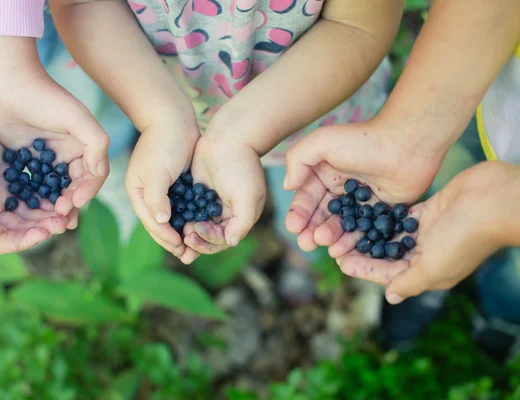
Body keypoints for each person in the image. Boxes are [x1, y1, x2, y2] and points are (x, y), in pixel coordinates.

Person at [49, 0, 404, 272]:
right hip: (171, 98)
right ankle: (302, 247)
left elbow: (356, 26)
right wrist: (161, 119)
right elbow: (82, 5)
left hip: (317, 112)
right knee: (298, 196)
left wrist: (240, 135)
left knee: (309, 194)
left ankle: (299, 252)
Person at [284, 0, 520, 358]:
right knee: (449, 173)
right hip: (491, 84)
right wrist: (411, 134)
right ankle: (439, 278)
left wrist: (498, 213)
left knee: (516, 277)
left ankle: (502, 309)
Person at [0, 0, 133, 252]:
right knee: (77, 129)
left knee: (90, 116)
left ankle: (116, 172)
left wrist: (11, 69)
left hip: (29, 23)